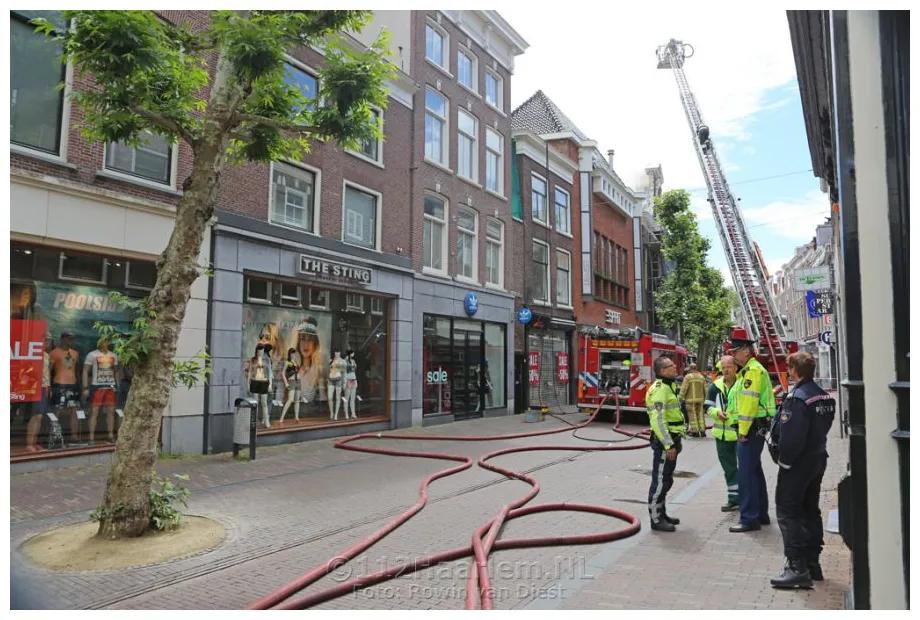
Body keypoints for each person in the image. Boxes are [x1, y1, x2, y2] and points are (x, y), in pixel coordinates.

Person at [768, 351, 836, 589]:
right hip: (818, 459)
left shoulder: (796, 399)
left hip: (797, 464)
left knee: (788, 512)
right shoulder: (823, 397)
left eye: (789, 368)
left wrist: (784, 462)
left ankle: (796, 567)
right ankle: (813, 563)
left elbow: (791, 438)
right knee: (810, 509)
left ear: (794, 371)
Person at [728, 332, 775, 533]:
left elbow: (748, 404)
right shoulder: (751, 370)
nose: (732, 356)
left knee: (746, 475)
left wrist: (743, 431)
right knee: (755, 472)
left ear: (746, 352)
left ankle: (748, 519)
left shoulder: (751, 372)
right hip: (757, 427)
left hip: (751, 429)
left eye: (735, 351)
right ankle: (761, 514)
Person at [645, 355, 687, 532]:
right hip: (665, 443)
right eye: (671, 366)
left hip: (673, 440)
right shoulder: (660, 390)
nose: (675, 367)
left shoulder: (670, 387)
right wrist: (668, 445)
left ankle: (662, 514)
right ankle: (655, 519)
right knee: (660, 481)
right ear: (663, 371)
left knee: (666, 480)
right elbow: (658, 421)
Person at [706, 355, 740, 511]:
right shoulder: (715, 386)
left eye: (729, 367)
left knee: (745, 468)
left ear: (735, 367)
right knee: (729, 468)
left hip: (741, 434)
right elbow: (707, 406)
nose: (725, 370)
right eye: (723, 367)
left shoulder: (742, 384)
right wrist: (716, 412)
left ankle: (745, 497)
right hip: (722, 435)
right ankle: (733, 498)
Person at [679, 363, 708, 437]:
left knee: (692, 415)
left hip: (690, 400)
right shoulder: (702, 377)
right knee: (700, 415)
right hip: (700, 399)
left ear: (690, 369)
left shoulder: (688, 377)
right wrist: (706, 399)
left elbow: (684, 388)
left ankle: (695, 431)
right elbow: (705, 389)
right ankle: (702, 430)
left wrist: (680, 397)